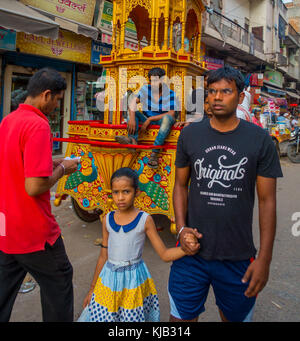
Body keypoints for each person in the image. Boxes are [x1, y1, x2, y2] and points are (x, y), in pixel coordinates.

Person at [168, 66, 283, 322]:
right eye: (212, 91)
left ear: (240, 97)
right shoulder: (189, 135)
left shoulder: (259, 140)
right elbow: (180, 185)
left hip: (237, 256)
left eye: (226, 91)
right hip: (190, 253)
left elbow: (267, 201)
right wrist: (181, 229)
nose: (217, 97)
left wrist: (264, 259)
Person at [0, 68, 80, 322]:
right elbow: (34, 186)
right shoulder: (38, 124)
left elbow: (16, 164)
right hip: (34, 231)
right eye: (57, 99)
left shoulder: (8, 121)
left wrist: (52, 161)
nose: (58, 106)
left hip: (6, 228)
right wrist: (63, 169)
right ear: (46, 95)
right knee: (59, 282)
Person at [78, 167, 198, 322]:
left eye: (126, 191)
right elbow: (103, 255)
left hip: (133, 283)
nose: (120, 197)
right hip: (108, 282)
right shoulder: (107, 219)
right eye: (116, 192)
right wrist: (92, 289)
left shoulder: (144, 220)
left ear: (137, 192)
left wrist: (185, 249)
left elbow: (165, 254)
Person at [115, 67, 178, 168]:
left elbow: (171, 113)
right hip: (146, 119)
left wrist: (149, 119)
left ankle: (154, 153)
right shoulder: (145, 89)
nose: (154, 84)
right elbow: (132, 102)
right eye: (152, 81)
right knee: (132, 111)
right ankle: (132, 141)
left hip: (161, 122)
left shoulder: (171, 93)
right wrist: (131, 117)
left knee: (168, 118)